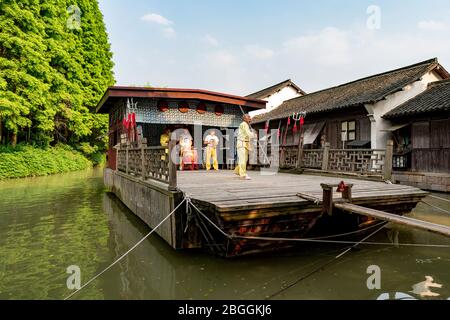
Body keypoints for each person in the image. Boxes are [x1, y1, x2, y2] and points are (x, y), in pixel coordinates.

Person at [234, 114, 254, 180]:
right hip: (241, 143)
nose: (250, 118)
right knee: (243, 159)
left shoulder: (246, 125)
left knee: (244, 159)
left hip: (245, 143)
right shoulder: (244, 124)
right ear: (244, 119)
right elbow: (248, 133)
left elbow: (247, 134)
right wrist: (254, 135)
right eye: (248, 117)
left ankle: (238, 171)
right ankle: (243, 175)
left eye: (250, 117)